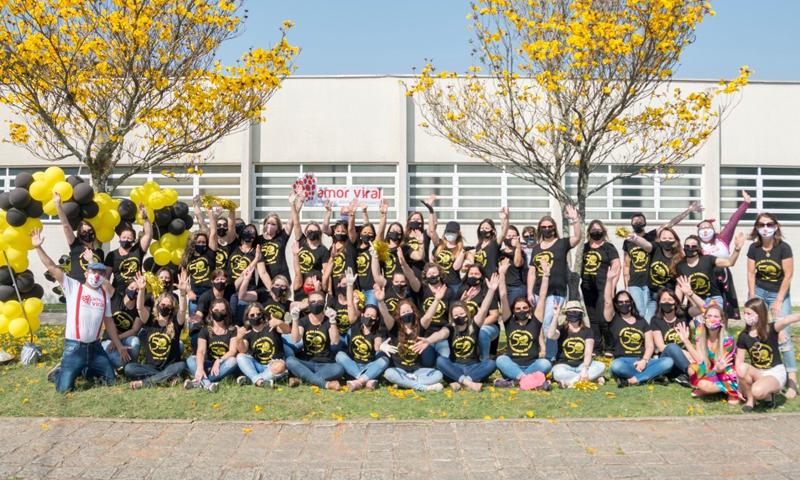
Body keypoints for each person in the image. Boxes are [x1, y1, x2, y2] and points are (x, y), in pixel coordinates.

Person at [33, 228, 129, 393]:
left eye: (100, 272)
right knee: (64, 390)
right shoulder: (73, 287)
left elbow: (109, 322)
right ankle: (59, 373)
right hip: (74, 347)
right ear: (86, 273)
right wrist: (38, 247)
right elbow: (52, 267)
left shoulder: (103, 295)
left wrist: (120, 346)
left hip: (95, 347)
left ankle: (83, 369)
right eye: (94, 271)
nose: (97, 275)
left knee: (111, 381)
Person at [747, 212, 797, 398]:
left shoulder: (784, 248)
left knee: (783, 336)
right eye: (761, 224)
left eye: (769, 224)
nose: (765, 228)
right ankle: (762, 372)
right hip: (759, 291)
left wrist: (777, 301)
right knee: (756, 332)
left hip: (778, 293)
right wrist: (752, 297)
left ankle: (792, 380)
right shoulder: (754, 248)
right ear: (757, 227)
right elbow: (751, 274)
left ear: (776, 226)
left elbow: (788, 275)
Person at [603, 263, 674, 388]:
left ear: (631, 303)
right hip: (623, 360)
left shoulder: (641, 321)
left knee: (668, 362)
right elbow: (608, 301)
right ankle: (651, 376)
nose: (624, 304)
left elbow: (650, 346)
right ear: (617, 304)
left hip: (642, 360)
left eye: (626, 301)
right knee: (616, 366)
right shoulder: (614, 319)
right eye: (620, 302)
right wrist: (609, 280)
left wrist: (644, 361)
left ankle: (633, 379)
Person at [527, 205, 581, 359]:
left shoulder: (561, 244)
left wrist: (574, 219)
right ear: (539, 229)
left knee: (548, 324)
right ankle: (541, 353)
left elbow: (577, 237)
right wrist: (529, 291)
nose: (547, 229)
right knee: (539, 324)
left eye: (550, 226)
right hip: (538, 292)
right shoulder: (537, 248)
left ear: (554, 228)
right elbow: (532, 270)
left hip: (556, 292)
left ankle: (550, 356)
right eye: (543, 227)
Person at [431, 275, 500, 392]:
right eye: (456, 316)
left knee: (491, 364)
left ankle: (459, 381)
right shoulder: (450, 328)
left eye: (462, 314)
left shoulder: (474, 325)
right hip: (455, 365)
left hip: (473, 366)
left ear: (467, 314)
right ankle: (469, 383)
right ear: (452, 318)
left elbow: (483, 309)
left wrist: (491, 290)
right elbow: (440, 334)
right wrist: (428, 340)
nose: (459, 317)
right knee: (440, 361)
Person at [495, 259, 553, 389]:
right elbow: (503, 296)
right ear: (513, 311)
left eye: (525, 308)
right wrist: (502, 274)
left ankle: (514, 381)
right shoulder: (509, 322)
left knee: (545, 364)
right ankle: (529, 380)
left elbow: (542, 296)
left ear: (530, 309)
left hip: (533, 364)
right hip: (512, 364)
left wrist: (545, 275)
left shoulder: (535, 321)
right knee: (500, 360)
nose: (522, 310)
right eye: (518, 309)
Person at [125, 272, 188, 389]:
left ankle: (145, 383)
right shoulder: (150, 320)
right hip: (152, 367)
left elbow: (183, 311)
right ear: (158, 305)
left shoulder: (175, 322)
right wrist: (142, 290)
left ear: (173, 308)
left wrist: (183, 294)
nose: (165, 307)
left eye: (169, 306)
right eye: (163, 304)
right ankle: (166, 379)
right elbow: (139, 307)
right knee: (129, 368)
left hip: (170, 366)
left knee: (181, 365)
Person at [737, 297, 800, 412]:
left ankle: (769, 394)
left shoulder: (771, 328)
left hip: (775, 372)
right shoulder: (743, 336)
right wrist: (739, 385)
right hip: (758, 372)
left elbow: (787, 320)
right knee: (741, 368)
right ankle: (750, 401)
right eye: (745, 313)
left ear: (759, 314)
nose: (746, 316)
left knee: (757, 391)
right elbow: (739, 361)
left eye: (749, 313)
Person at [697, 191, 751, 319]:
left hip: (722, 277)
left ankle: (723, 333)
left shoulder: (722, 240)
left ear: (713, 229)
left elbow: (733, 220)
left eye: (708, 227)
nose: (705, 230)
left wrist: (745, 204)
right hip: (703, 279)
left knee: (723, 312)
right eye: (701, 228)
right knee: (703, 311)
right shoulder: (695, 244)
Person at [381, 299, 445, 392]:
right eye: (403, 312)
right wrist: (380, 301)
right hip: (399, 370)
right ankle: (424, 388)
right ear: (399, 315)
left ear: (413, 312)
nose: (406, 314)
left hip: (417, 372)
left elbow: (428, 316)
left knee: (438, 375)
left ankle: (404, 383)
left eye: (408, 311)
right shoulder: (394, 327)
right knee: (388, 373)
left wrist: (437, 299)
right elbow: (385, 314)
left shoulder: (419, 326)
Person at [650, 277, 704, 386]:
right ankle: (690, 373)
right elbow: (661, 347)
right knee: (671, 347)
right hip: (667, 358)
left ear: (675, 302)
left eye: (670, 300)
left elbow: (703, 309)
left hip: (685, 359)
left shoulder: (683, 315)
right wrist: (682, 352)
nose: (667, 303)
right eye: (664, 300)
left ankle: (683, 375)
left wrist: (690, 293)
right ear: (659, 302)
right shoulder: (655, 320)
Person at [285, 291, 345, 390]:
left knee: (339, 368)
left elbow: (335, 341)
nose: (316, 304)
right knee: (290, 361)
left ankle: (302, 379)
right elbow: (295, 339)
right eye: (313, 301)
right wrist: (295, 320)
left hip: (325, 363)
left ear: (324, 304)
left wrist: (333, 321)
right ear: (308, 304)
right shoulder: (303, 321)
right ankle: (325, 384)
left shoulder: (328, 320)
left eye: (319, 301)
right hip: (307, 362)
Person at [681, 302, 739, 404]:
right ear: (704, 319)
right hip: (714, 368)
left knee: (703, 384)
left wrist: (710, 373)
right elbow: (699, 360)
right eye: (709, 316)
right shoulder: (700, 331)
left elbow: (721, 367)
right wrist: (686, 341)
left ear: (722, 321)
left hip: (727, 371)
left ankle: (732, 390)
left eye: (716, 316)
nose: (712, 319)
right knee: (692, 369)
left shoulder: (727, 340)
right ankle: (715, 389)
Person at [334, 289, 390, 392]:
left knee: (384, 361)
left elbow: (377, 345)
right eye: (367, 315)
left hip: (369, 365)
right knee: (339, 355)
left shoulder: (377, 333)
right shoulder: (355, 326)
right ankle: (366, 379)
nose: (369, 318)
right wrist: (350, 286)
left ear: (376, 319)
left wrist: (381, 346)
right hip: (353, 363)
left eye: (373, 316)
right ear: (362, 315)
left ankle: (358, 382)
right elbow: (350, 306)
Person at [625, 227, 682, 322]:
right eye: (664, 238)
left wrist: (677, 302)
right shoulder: (656, 248)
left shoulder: (679, 257)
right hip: (652, 294)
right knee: (648, 320)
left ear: (676, 241)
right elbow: (646, 245)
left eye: (670, 238)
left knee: (666, 321)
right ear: (659, 240)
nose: (667, 241)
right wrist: (635, 238)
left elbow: (679, 283)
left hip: (668, 297)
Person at [581, 219, 620, 356]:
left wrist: (612, 286)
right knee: (592, 319)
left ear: (603, 231)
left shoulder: (608, 247)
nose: (596, 232)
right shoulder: (584, 247)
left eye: (598, 230)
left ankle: (609, 347)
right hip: (587, 287)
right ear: (589, 232)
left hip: (605, 287)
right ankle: (596, 348)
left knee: (604, 318)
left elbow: (616, 266)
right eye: (593, 230)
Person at [547, 301, 607, 388]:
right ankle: (588, 379)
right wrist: (556, 316)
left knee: (601, 366)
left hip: (582, 365)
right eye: (571, 311)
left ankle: (570, 382)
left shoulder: (588, 330)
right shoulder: (562, 329)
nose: (574, 314)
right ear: (566, 314)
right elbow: (550, 335)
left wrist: (585, 369)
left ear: (581, 314)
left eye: (576, 312)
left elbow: (588, 353)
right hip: (563, 365)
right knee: (557, 372)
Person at [184, 298, 240, 391]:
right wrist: (200, 368)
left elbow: (232, 351)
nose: (219, 313)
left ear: (226, 312)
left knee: (233, 360)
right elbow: (201, 351)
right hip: (208, 364)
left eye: (222, 311)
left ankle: (199, 382)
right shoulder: (205, 329)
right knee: (191, 359)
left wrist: (219, 360)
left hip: (223, 364)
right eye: (216, 310)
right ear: (211, 311)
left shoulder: (232, 329)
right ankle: (207, 383)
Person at [674, 233, 745, 305]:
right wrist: (676, 305)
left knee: (711, 314)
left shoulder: (708, 259)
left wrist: (737, 249)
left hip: (713, 299)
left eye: (693, 246)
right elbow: (679, 286)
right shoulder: (681, 266)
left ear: (699, 248)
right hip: (695, 300)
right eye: (687, 246)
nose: (690, 248)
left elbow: (729, 262)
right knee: (690, 313)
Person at [53, 192, 104, 283]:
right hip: (77, 286)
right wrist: (58, 206)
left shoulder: (99, 252)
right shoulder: (75, 245)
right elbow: (66, 226)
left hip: (93, 288)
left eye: (89, 230)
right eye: (84, 232)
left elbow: (101, 273)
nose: (87, 233)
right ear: (79, 234)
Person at [235, 303, 290, 387]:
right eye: (252, 315)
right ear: (247, 318)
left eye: (258, 314)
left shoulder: (271, 326)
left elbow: (287, 331)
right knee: (240, 356)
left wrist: (280, 322)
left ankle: (252, 379)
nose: (255, 317)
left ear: (263, 315)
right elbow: (243, 350)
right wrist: (239, 338)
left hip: (274, 364)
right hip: (258, 365)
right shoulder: (247, 332)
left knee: (280, 366)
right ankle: (261, 380)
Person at [104, 204, 152, 294]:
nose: (126, 239)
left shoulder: (138, 250)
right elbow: (106, 277)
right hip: (118, 292)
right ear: (119, 239)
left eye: (129, 238)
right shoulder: (112, 255)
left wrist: (145, 218)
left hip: (137, 290)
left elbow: (148, 235)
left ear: (133, 240)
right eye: (124, 237)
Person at [456, 264, 500, 362]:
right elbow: (455, 314)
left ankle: (484, 359)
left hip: (488, 326)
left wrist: (475, 326)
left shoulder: (488, 292)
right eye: (471, 273)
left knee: (482, 331)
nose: (473, 276)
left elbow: (494, 315)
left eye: (476, 274)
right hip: (465, 326)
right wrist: (462, 301)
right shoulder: (462, 291)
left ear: (482, 276)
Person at [102, 278, 147, 369]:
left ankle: (131, 368)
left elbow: (134, 330)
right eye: (132, 287)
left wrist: (117, 340)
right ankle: (121, 366)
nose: (134, 291)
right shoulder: (116, 297)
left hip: (125, 339)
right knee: (119, 362)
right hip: (109, 339)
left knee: (135, 341)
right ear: (126, 288)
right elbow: (104, 281)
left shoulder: (139, 309)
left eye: (137, 290)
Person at [181, 231, 218, 314]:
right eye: (199, 242)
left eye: (203, 242)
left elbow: (213, 233)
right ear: (193, 243)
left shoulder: (209, 254)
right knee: (194, 323)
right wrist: (189, 292)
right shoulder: (187, 258)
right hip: (195, 294)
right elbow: (184, 279)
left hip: (210, 291)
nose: (201, 244)